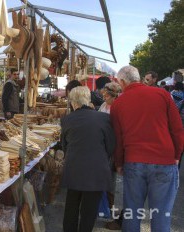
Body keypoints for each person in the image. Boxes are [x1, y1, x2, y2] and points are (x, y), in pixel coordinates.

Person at [110, 65, 183, 231]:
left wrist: (119, 163)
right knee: (162, 215)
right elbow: (177, 129)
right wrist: (177, 155)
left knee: (132, 213)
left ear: (122, 82)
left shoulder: (118, 104)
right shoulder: (162, 94)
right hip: (164, 160)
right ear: (139, 77)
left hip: (134, 161)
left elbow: (118, 139)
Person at [61, 86, 115, 232]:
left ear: (73, 102)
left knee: (71, 206)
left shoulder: (67, 119)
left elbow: (64, 146)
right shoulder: (104, 118)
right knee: (89, 210)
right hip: (97, 169)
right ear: (88, 100)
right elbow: (110, 146)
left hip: (74, 168)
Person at [98, 82, 122, 230]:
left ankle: (109, 208)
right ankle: (103, 208)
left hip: (112, 148)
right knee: (102, 177)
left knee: (110, 180)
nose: (104, 97)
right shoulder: (103, 106)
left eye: (107, 95)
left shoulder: (118, 108)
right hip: (101, 146)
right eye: (104, 94)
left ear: (114, 96)